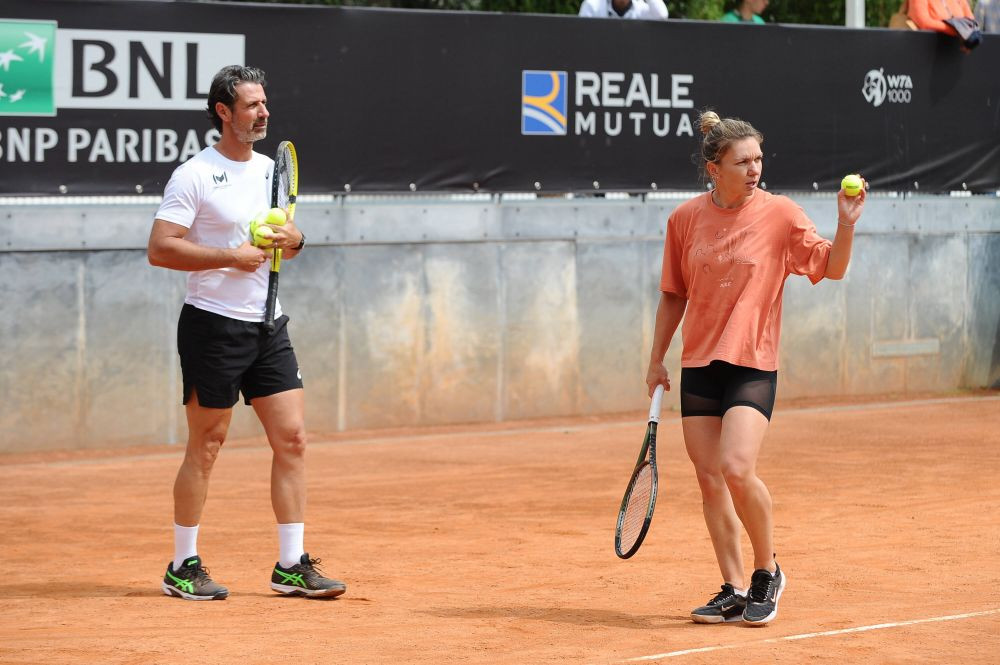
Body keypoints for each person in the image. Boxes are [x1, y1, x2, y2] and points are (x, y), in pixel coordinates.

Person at [644, 111, 865, 625]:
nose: (754, 169)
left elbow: (832, 268)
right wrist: (655, 359)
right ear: (712, 168)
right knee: (708, 478)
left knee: (737, 468)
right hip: (700, 362)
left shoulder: (780, 214)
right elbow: (673, 295)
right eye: (742, 161)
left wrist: (846, 224)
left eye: (758, 159)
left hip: (752, 362)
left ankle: (768, 571)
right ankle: (734, 587)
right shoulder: (684, 220)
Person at [147, 65, 345, 601]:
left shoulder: (269, 172)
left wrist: (297, 240)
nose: (264, 113)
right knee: (206, 446)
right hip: (212, 326)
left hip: (268, 325)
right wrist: (227, 257)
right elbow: (160, 247)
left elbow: (288, 243)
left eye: (265, 103)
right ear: (223, 112)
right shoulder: (193, 175)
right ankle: (181, 565)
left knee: (294, 440)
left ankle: (289, 565)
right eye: (252, 105)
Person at [578, 0, 668, 20]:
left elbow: (662, 15)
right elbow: (582, 38)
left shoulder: (640, 8)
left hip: (633, 64)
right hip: (600, 64)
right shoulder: (592, 5)